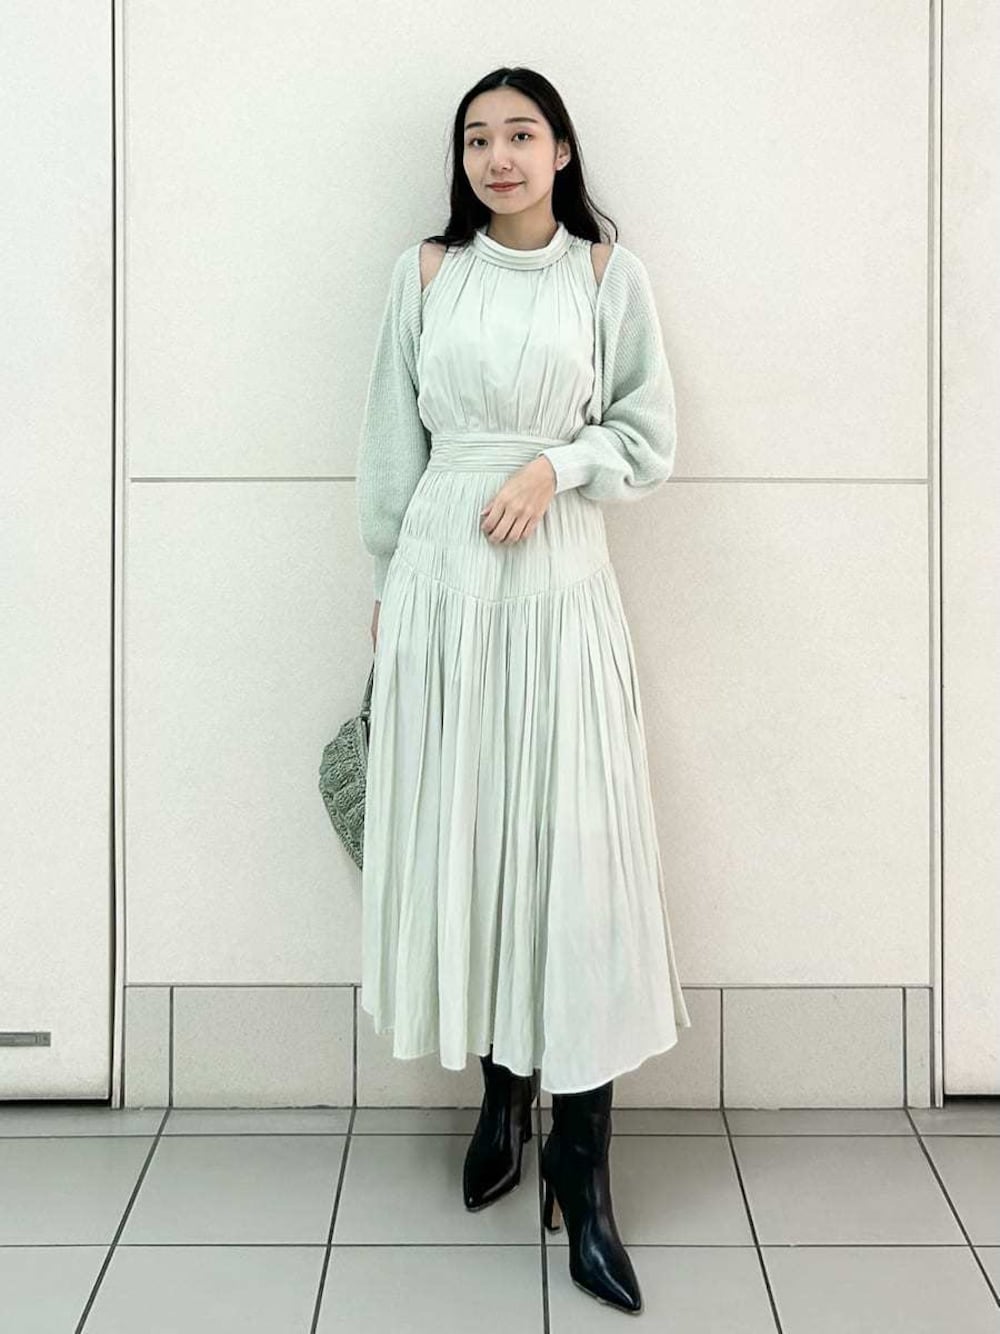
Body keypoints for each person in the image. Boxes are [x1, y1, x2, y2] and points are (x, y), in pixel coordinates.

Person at [354, 65, 691, 1315]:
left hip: (558, 591)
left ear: (560, 151)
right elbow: (388, 444)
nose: (497, 156)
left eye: (521, 133)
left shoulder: (606, 274)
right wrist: (388, 595)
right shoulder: (426, 273)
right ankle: (502, 1095)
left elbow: (647, 434)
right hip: (443, 593)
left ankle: (583, 1169)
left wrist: (557, 464)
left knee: (576, 864)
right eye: (476, 138)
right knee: (476, 842)